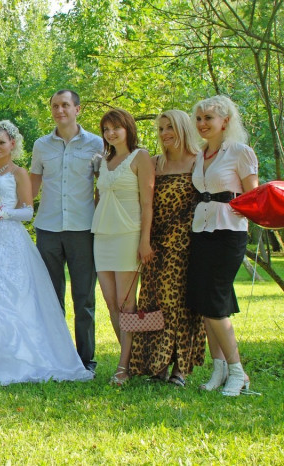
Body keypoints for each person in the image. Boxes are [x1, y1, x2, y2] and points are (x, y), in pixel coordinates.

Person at [0, 121, 94, 384]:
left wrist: (0, 213)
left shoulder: (18, 173)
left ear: (12, 144)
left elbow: (27, 211)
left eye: (1, 142)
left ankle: (12, 357)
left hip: (8, 240)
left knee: (8, 296)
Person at [128, 110, 206, 385]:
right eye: (160, 129)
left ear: (183, 128)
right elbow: (144, 204)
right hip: (155, 244)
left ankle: (180, 369)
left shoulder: (199, 162)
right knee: (153, 302)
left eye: (169, 127)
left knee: (180, 305)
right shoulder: (154, 163)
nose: (164, 134)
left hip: (187, 245)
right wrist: (144, 240)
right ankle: (157, 364)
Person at [187, 96, 258, 396]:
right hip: (201, 231)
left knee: (215, 303)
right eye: (199, 118)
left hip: (229, 233)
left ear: (225, 121)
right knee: (205, 303)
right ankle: (219, 369)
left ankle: (239, 373)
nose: (202, 124)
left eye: (209, 118)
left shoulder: (240, 152)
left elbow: (254, 197)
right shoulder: (199, 155)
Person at [30, 89, 104, 372]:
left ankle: (86, 360)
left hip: (83, 229)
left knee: (84, 298)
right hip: (48, 229)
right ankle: (57, 357)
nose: (59, 110)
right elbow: (32, 187)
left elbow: (102, 185)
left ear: (77, 109)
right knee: (51, 297)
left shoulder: (96, 143)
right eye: (55, 106)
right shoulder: (41, 145)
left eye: (65, 105)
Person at [91, 108, 154, 385]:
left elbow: (147, 203)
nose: (110, 133)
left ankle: (123, 367)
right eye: (106, 129)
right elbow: (99, 198)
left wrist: (144, 240)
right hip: (102, 236)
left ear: (128, 128)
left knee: (126, 303)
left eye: (116, 127)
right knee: (110, 303)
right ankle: (131, 359)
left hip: (129, 234)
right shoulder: (104, 161)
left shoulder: (141, 157)